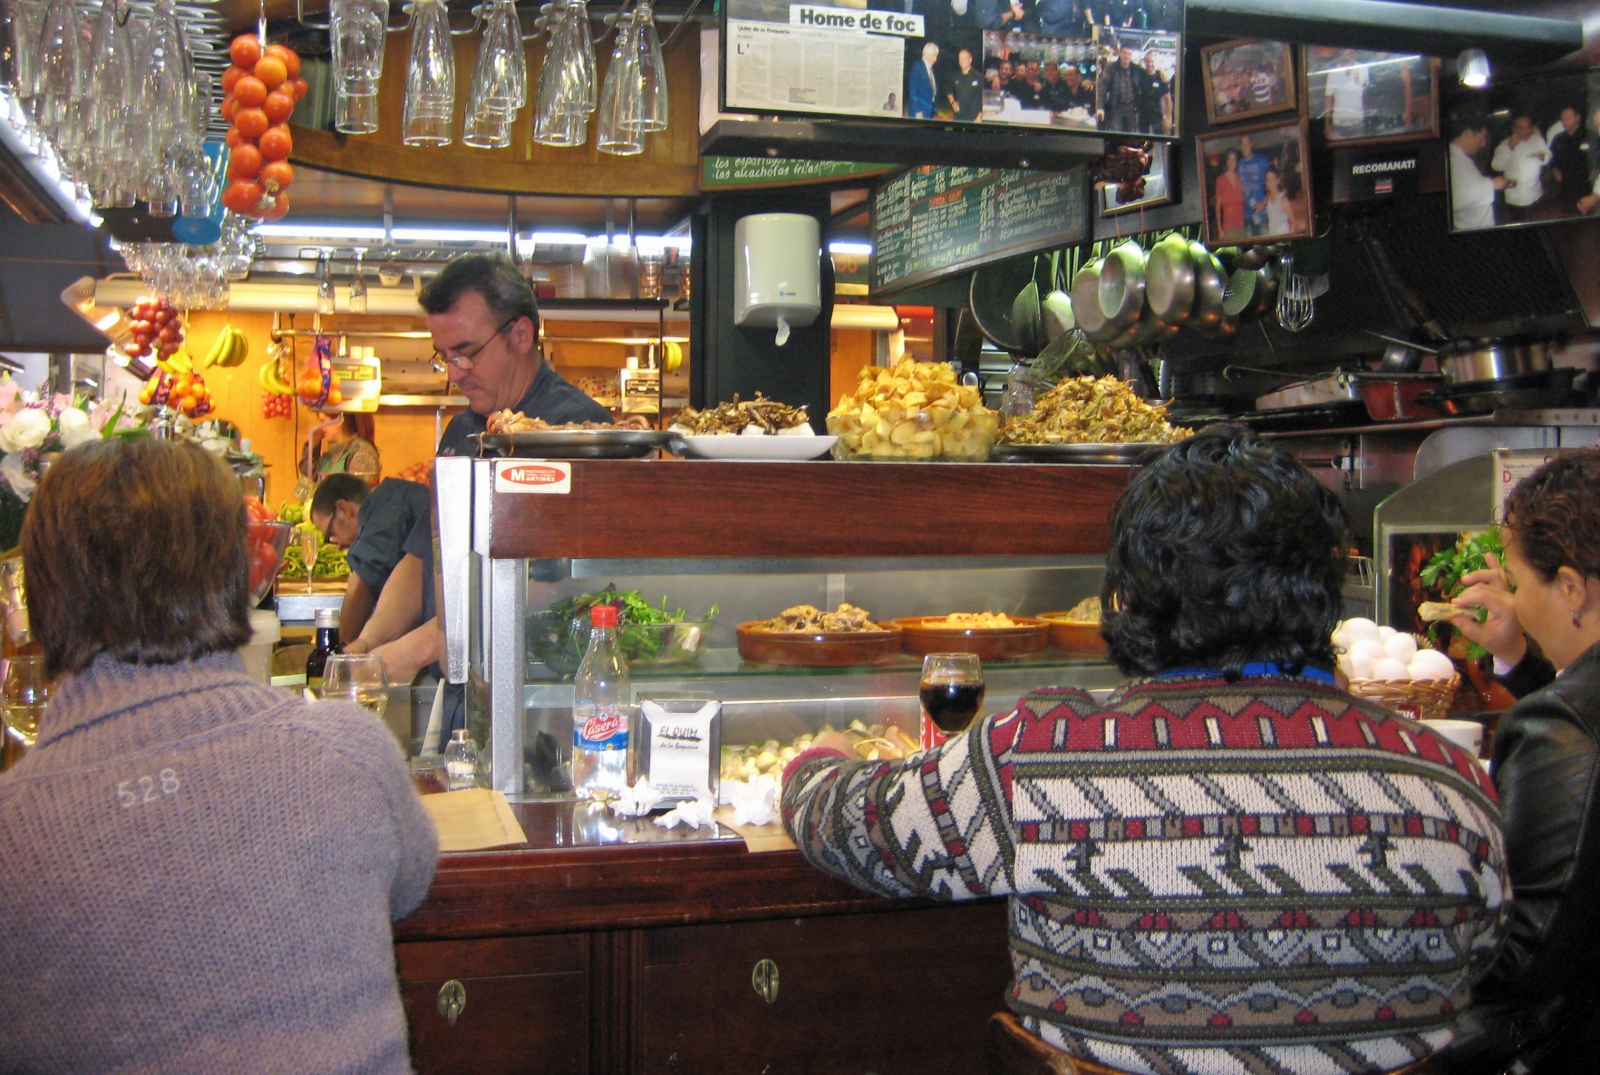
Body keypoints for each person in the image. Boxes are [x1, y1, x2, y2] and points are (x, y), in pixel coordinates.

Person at [781, 428, 1508, 1074]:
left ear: (1129, 596)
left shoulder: (1038, 756)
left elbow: (848, 826)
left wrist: (817, 760)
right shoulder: (1453, 782)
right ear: (1324, 587)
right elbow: (1480, 958)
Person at [0, 437, 438, 1073]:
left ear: (40, 595)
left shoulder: (16, 832)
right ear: (238, 576)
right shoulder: (348, 754)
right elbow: (411, 883)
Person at [1440, 451, 1600, 1073]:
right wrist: (1516, 655)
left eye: (1518, 580)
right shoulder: (1568, 711)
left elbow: (1529, 949)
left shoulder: (1560, 725)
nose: (1515, 599)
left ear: (1569, 588)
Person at [431, 252, 611, 459]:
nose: (453, 376)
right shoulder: (460, 429)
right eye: (445, 357)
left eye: (466, 353)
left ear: (521, 337)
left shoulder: (578, 432)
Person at [309, 472, 432, 641]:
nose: (336, 544)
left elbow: (363, 583)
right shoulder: (393, 499)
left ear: (343, 509)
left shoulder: (385, 513)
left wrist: (338, 655)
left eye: (331, 533)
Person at [1450, 114, 1506, 230]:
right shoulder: (1453, 161)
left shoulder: (1460, 157)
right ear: (1467, 135)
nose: (1483, 144)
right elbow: (1455, 198)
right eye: (1481, 138)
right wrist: (1493, 184)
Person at [1491, 113, 1549, 222]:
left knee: (1536, 221)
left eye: (1528, 127)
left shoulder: (1537, 140)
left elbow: (1547, 156)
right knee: (1518, 223)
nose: (1527, 131)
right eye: (1522, 129)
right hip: (1515, 193)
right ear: (1514, 129)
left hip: (1535, 191)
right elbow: (1496, 166)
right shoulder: (1505, 145)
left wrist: (1543, 157)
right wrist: (1510, 147)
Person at [306, 411, 381, 482]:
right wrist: (313, 445)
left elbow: (358, 493)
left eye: (323, 421)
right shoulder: (332, 453)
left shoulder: (362, 453)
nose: (322, 427)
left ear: (339, 420)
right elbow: (310, 478)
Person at [1546, 106, 1589, 213]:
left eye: (1568, 119)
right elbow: (1551, 159)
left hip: (1584, 188)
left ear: (1577, 118)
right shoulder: (1558, 138)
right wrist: (1554, 169)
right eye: (1563, 119)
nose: (1564, 122)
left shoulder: (1589, 136)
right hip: (1564, 189)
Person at [1323, 48, 1368, 140]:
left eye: (1350, 49)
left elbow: (1366, 94)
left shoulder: (1363, 68)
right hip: (1338, 125)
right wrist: (1327, 124)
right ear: (1340, 51)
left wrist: (1367, 117)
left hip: (1358, 123)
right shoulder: (1333, 73)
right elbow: (1328, 99)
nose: (1348, 52)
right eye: (1345, 49)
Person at [1236, 132, 1272, 236]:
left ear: (1251, 144)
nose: (1245, 146)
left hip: (1263, 213)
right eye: (1243, 144)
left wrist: (1263, 202)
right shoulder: (1239, 164)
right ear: (1240, 147)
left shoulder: (1262, 161)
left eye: (1247, 143)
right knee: (1252, 248)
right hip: (1247, 215)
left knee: (1267, 245)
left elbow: (1275, 184)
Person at [1098, 44, 1141, 132]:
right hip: (1115, 107)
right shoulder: (1111, 67)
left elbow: (1147, 76)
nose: (1126, 56)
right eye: (1124, 53)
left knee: (1130, 136)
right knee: (1115, 134)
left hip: (1131, 107)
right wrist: (1100, 107)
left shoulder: (1136, 69)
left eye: (1129, 54)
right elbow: (1102, 87)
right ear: (1120, 53)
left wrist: (1159, 73)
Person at [1214, 148, 1245, 239]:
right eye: (1229, 159)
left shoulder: (1240, 178)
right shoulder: (1221, 180)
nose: (1232, 162)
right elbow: (1217, 206)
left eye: (1234, 159)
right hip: (1228, 227)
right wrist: (1220, 230)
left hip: (1242, 226)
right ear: (1226, 161)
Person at [1137, 49, 1169, 134]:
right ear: (1144, 61)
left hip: (1157, 116)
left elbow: (1168, 101)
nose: (1150, 64)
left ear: (1156, 61)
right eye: (1147, 61)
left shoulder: (1161, 77)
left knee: (1159, 141)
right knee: (1143, 142)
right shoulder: (1140, 75)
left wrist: (1168, 118)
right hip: (1143, 116)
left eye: (1152, 61)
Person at [947, 47, 985, 120]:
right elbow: (948, 89)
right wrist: (952, 102)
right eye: (960, 58)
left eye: (965, 58)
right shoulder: (955, 76)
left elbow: (983, 98)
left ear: (970, 60)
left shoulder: (978, 77)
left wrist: (980, 116)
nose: (962, 61)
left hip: (974, 118)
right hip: (958, 117)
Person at [908, 40, 940, 119]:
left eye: (936, 56)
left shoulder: (930, 68)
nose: (935, 59)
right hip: (919, 112)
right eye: (933, 55)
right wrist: (917, 111)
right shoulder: (917, 66)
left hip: (929, 110)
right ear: (926, 54)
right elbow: (912, 92)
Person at [1262, 166, 1292, 235]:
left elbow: (1293, 222)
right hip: (1272, 235)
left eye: (1272, 179)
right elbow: (1265, 201)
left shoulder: (1283, 200)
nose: (1269, 182)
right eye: (1267, 179)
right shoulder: (1268, 197)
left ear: (1277, 181)